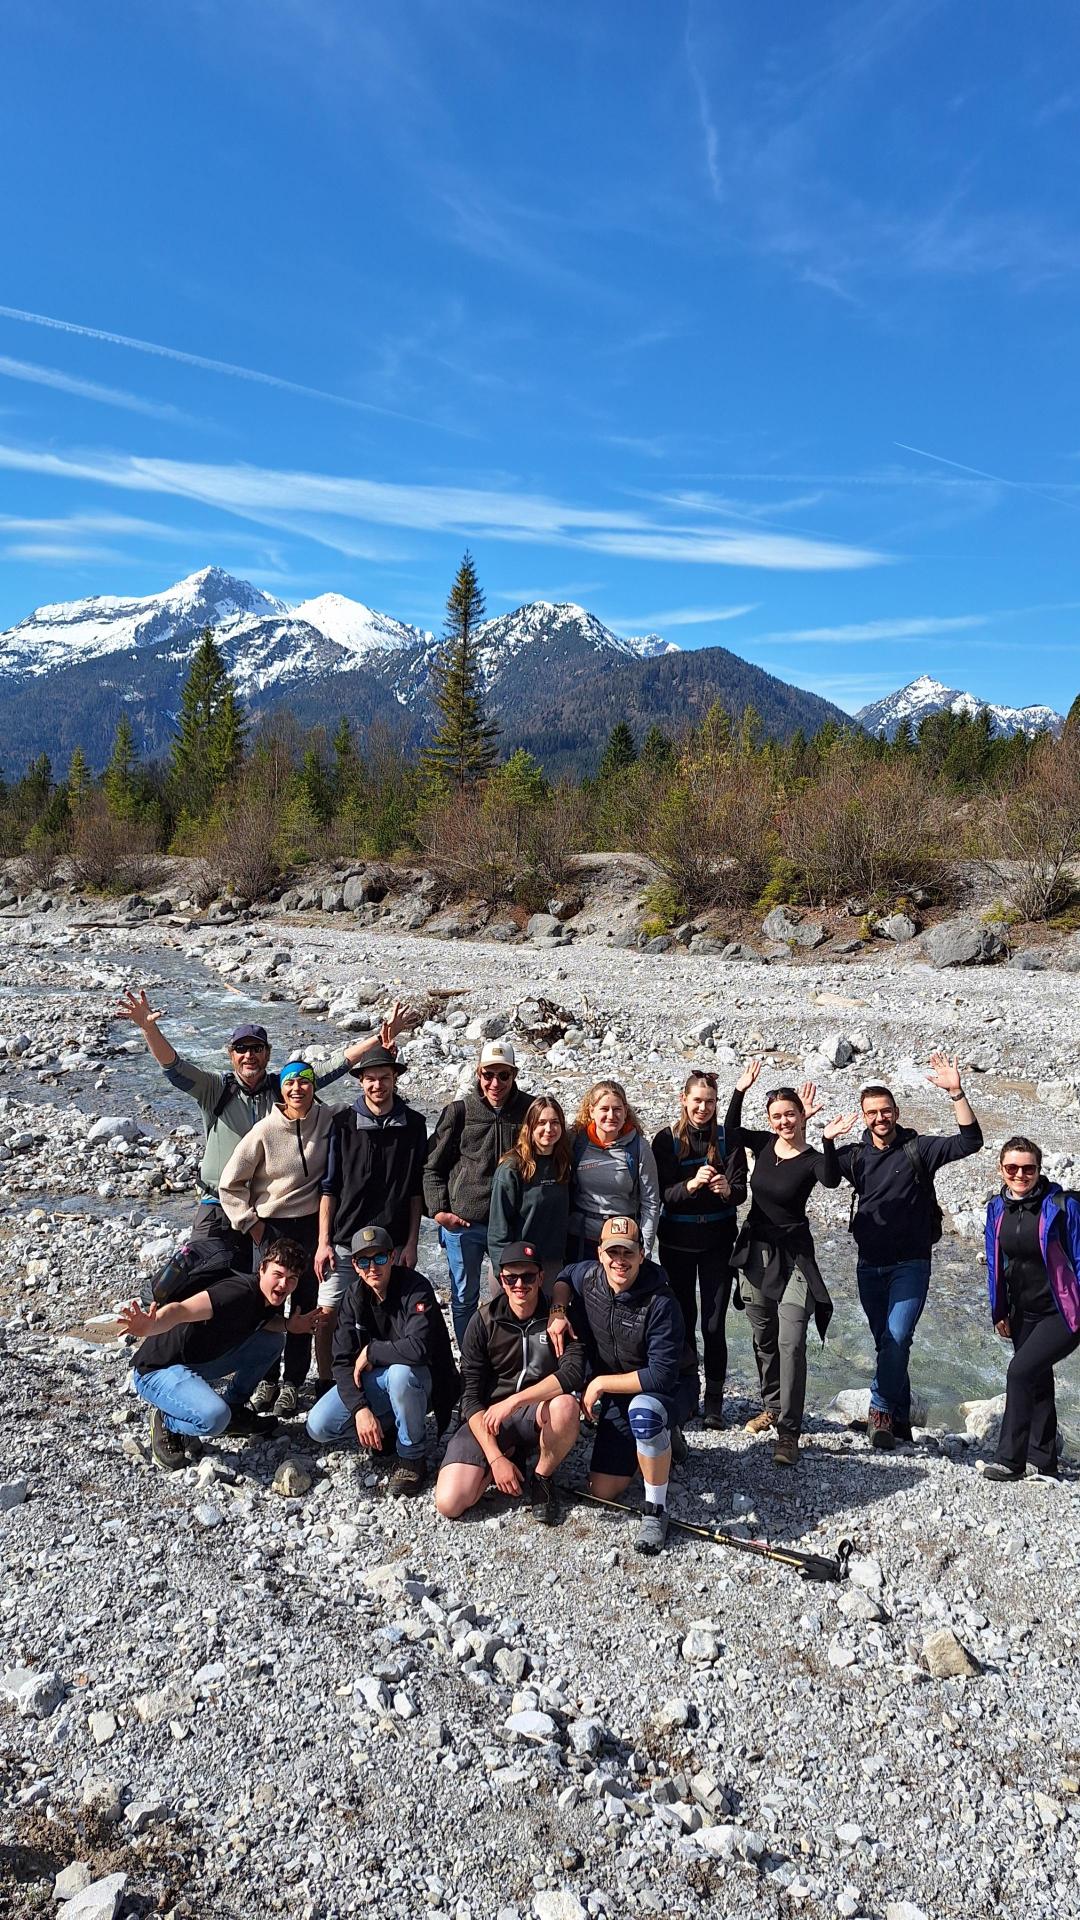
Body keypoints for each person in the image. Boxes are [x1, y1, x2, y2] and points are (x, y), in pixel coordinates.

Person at [114, 988, 417, 1265]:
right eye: (241, 1048)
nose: (249, 1055)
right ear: (230, 1054)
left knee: (264, 1287)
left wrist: (381, 1037)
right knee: (199, 1275)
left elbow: (337, 1064)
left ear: (267, 1054)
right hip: (219, 1204)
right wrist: (149, 1028)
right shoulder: (215, 1088)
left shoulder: (285, 1087)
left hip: (270, 1212)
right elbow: (175, 1068)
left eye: (256, 1049)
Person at [831, 1055, 983, 1450]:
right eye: (872, 1113)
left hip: (911, 1265)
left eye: (885, 1111)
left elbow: (971, 1142)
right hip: (868, 1266)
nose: (879, 1118)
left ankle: (879, 1411)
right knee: (889, 1342)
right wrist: (828, 1141)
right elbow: (828, 1178)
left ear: (896, 1112)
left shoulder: (919, 1149)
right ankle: (900, 1421)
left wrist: (956, 1093)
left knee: (896, 1336)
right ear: (863, 1116)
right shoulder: (856, 1155)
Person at [724, 1062, 847, 1467]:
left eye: (790, 1114)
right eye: (777, 1116)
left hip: (795, 1258)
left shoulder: (811, 1158)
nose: (783, 1122)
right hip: (756, 1254)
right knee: (763, 1338)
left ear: (801, 1115)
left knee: (791, 1341)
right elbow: (730, 1130)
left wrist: (827, 1140)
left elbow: (831, 1179)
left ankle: (790, 1433)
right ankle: (772, 1407)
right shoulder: (762, 1145)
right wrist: (740, 1090)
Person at [118, 1238, 318, 1471]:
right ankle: (167, 1421)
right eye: (278, 1274)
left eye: (291, 1279)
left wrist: (288, 1325)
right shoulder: (235, 1293)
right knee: (214, 1419)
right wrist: (150, 1326)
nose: (284, 1284)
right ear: (262, 1268)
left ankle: (234, 1409)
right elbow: (180, 1310)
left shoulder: (269, 1296)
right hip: (157, 1370)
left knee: (272, 1341)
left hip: (197, 1363)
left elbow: (262, 1321)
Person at [549, 1215, 684, 1555]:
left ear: (642, 1254)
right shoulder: (590, 1277)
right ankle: (660, 1447)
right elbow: (564, 1277)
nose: (619, 1261)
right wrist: (558, 1311)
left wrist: (599, 1384)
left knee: (645, 1414)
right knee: (602, 1491)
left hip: (662, 1391)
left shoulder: (662, 1302)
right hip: (617, 1393)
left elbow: (662, 1375)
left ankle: (656, 1510)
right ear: (600, 1253)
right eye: (613, 1252)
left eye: (627, 1253)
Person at [435, 1241, 587, 1525]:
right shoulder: (483, 1321)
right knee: (449, 1503)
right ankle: (503, 1458)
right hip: (490, 1419)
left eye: (528, 1277)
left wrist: (515, 1401)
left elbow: (572, 1375)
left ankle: (542, 1478)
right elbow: (469, 1395)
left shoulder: (560, 1320)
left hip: (535, 1413)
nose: (520, 1284)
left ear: (541, 1278)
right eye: (511, 1277)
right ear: (501, 1280)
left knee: (566, 1405)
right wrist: (494, 1458)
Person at [216, 1059, 333, 1416]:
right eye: (289, 1083)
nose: (297, 1088)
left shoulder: (327, 1120)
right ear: (280, 1089)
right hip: (271, 1228)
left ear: (314, 1085)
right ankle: (266, 1377)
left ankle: (294, 1382)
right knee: (267, 1302)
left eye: (305, 1081)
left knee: (304, 1303)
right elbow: (230, 1182)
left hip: (310, 1226)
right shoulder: (265, 1130)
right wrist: (250, 1223)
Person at [305, 1226, 460, 1495]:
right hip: (377, 1383)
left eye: (379, 1258)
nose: (372, 1267)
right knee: (318, 1426)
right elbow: (340, 1363)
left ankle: (412, 1457)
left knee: (401, 1374)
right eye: (364, 1261)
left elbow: (419, 1348)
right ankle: (385, 1430)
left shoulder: (416, 1288)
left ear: (392, 1257)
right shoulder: (352, 1298)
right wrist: (360, 1410)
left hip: (422, 1381)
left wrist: (371, 1352)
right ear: (354, 1265)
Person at [315, 1042, 427, 1370]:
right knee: (327, 1314)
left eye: (384, 1078)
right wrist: (323, 1242)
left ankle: (383, 1380)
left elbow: (415, 1191)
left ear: (395, 1079)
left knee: (392, 1314)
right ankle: (326, 1381)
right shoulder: (343, 1123)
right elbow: (329, 1187)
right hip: (345, 1238)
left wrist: (411, 1243)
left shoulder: (414, 1125)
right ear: (360, 1081)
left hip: (390, 1243)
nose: (378, 1085)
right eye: (370, 1079)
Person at [981, 1137, 1080, 1482]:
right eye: (1012, 1168)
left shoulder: (1062, 1205)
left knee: (1019, 1372)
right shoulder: (997, 1208)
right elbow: (995, 1263)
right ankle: (1044, 1459)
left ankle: (1010, 1460)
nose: (1020, 1174)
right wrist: (999, 1310)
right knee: (1037, 1379)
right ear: (1001, 1170)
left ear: (1039, 1169)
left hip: (1063, 1311)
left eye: (1028, 1168)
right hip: (1023, 1311)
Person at [653, 1071, 747, 1430]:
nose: (703, 1108)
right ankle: (687, 1391)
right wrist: (691, 1185)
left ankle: (715, 1402)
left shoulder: (728, 1138)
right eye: (697, 1101)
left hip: (717, 1245)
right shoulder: (667, 1140)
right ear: (684, 1100)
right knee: (682, 1320)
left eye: (710, 1102)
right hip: (677, 1244)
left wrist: (727, 1190)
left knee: (713, 1323)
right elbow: (664, 1195)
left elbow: (740, 1189)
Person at [423, 1040, 532, 1345]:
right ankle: (471, 1363)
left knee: (515, 1292)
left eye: (503, 1075)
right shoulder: (459, 1112)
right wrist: (439, 1212)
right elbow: (432, 1166)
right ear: (478, 1073)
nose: (495, 1083)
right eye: (488, 1074)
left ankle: (505, 1358)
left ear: (514, 1074)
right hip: (464, 1224)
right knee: (463, 1297)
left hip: (511, 1223)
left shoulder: (529, 1111)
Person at [567, 1080, 660, 1262]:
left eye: (617, 1109)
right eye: (604, 1109)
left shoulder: (639, 1148)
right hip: (581, 1240)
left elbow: (651, 1202)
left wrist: (646, 1248)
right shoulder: (576, 1142)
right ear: (591, 1111)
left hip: (622, 1242)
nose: (611, 1115)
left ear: (625, 1111)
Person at [488, 1095, 572, 1285]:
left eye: (555, 1122)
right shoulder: (512, 1168)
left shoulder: (564, 1163)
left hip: (552, 1265)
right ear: (530, 1127)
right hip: (517, 1266)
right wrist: (505, 1272)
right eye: (541, 1123)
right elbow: (498, 1228)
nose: (549, 1129)